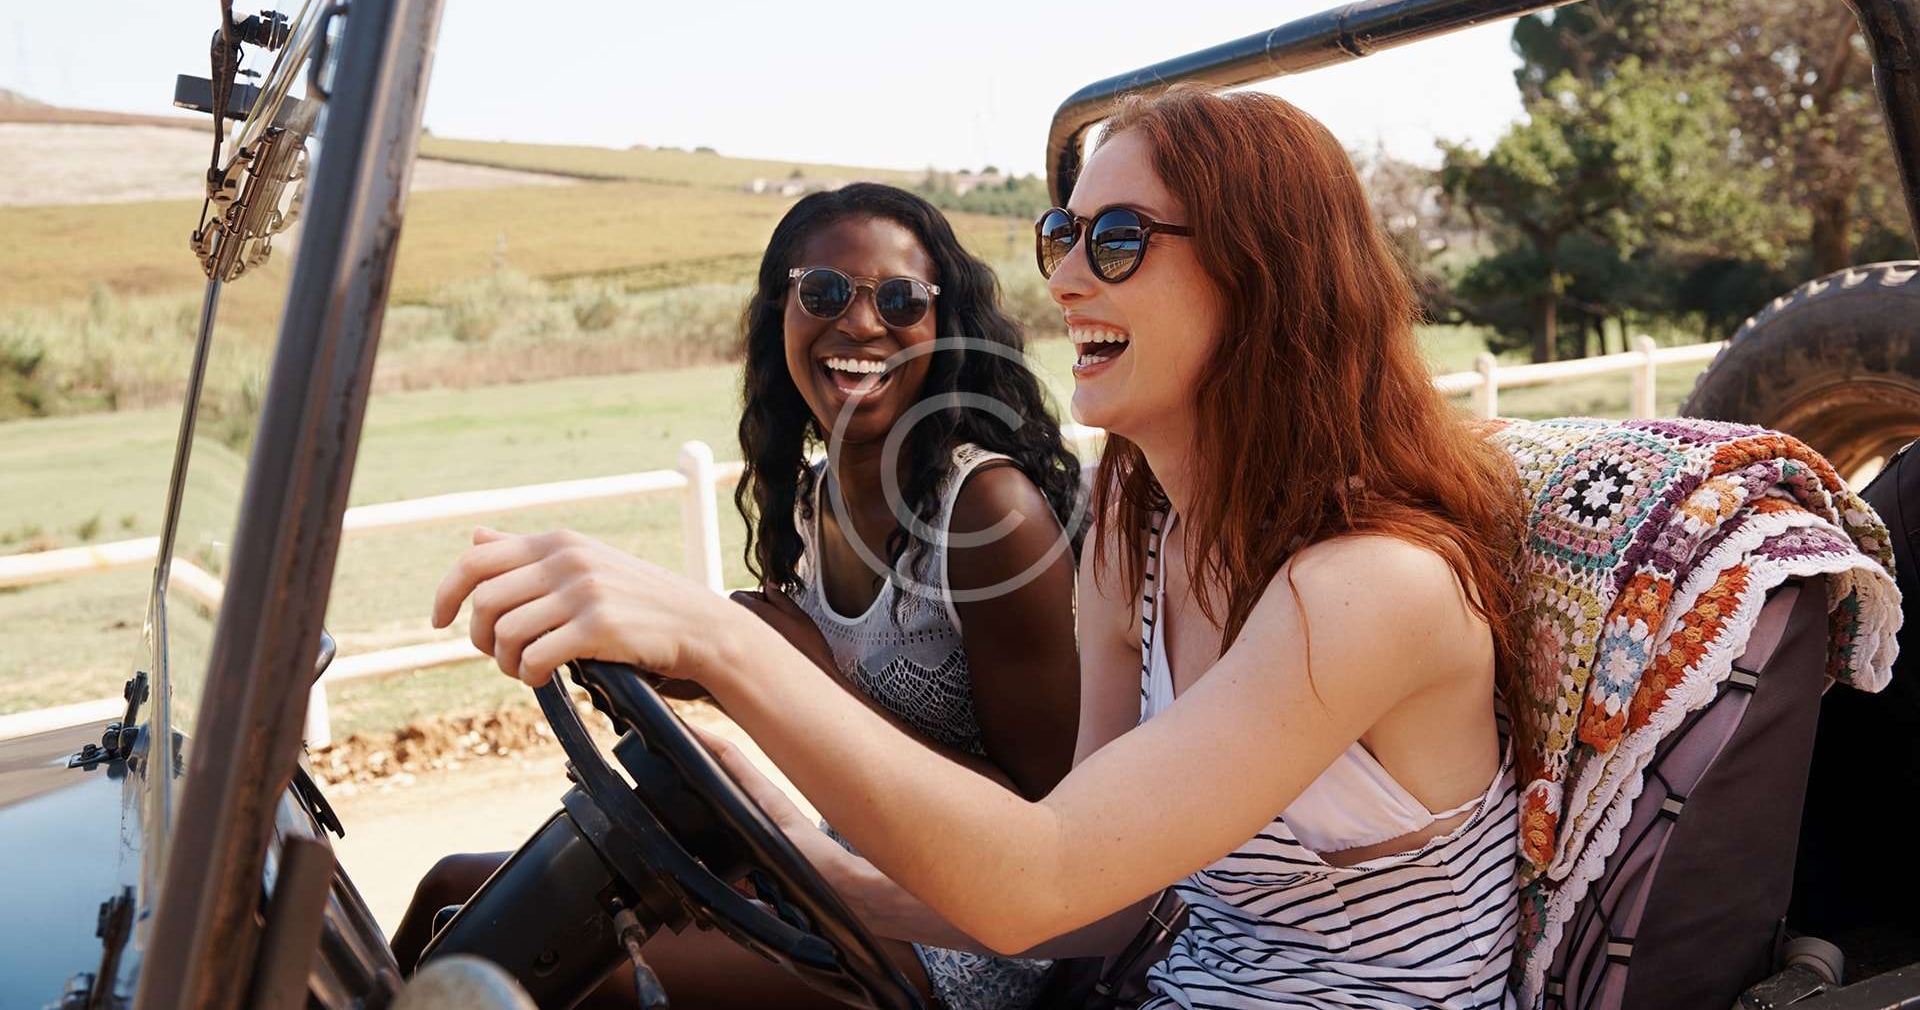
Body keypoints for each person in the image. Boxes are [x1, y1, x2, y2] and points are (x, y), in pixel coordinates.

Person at [438, 87, 1531, 1008]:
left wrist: (724, 644)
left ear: (1264, 273)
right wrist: (788, 847)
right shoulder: (1140, 533)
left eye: (1118, 241)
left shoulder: (1372, 588)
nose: (1066, 280)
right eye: (1065, 236)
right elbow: (1105, 899)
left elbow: (1040, 880)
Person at [396, 183, 1085, 1009]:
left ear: (944, 327)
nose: (862, 323)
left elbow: (1047, 834)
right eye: (824, 292)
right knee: (452, 894)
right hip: (839, 881)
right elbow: (782, 665)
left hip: (968, 944)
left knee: (538, 970)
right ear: (780, 316)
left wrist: (782, 669)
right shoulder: (812, 501)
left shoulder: (989, 515)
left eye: (901, 299)